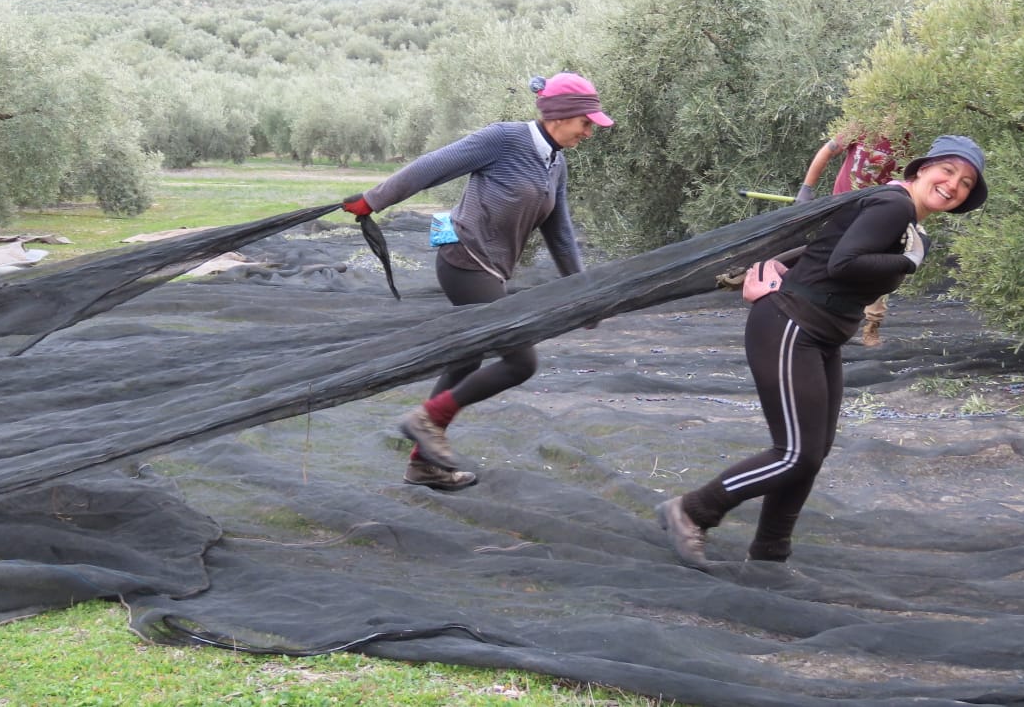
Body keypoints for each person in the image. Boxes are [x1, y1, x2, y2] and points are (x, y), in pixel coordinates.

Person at [659, 135, 988, 569]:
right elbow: (844, 263)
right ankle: (692, 511)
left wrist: (776, 265)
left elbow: (826, 246)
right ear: (921, 170)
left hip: (819, 334)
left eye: (965, 182)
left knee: (812, 450)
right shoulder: (896, 207)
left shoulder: (904, 219)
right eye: (947, 171)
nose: (953, 185)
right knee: (797, 452)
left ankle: (771, 551)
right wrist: (907, 261)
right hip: (790, 325)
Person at [341, 72, 614, 492]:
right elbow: (433, 166)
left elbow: (559, 232)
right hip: (464, 260)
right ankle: (426, 421)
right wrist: (374, 199)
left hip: (491, 269)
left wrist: (583, 294)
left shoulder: (555, 164)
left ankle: (422, 463)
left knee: (466, 359)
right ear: (561, 117)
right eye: (586, 122)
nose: (590, 131)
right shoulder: (506, 139)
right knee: (521, 361)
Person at [794, 124, 914, 346]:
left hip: (878, 215)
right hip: (843, 207)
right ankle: (816, 313)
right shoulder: (863, 125)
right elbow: (827, 151)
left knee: (875, 266)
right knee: (828, 259)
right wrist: (807, 188)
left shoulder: (910, 140)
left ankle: (871, 324)